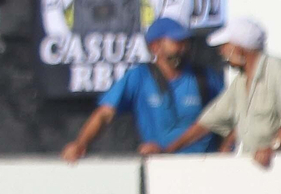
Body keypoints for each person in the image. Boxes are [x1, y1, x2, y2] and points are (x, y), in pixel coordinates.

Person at [61, 19, 223, 160]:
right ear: (155, 46)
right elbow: (104, 114)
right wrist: (80, 144)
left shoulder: (205, 77)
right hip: (159, 167)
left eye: (186, 43)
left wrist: (226, 154)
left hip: (204, 167)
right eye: (177, 42)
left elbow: (230, 115)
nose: (184, 48)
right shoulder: (139, 76)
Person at [166, 18, 281, 167]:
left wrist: (274, 146)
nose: (221, 52)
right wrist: (168, 150)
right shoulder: (240, 82)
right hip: (257, 165)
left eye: (225, 46)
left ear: (239, 47)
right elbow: (207, 122)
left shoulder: (276, 68)